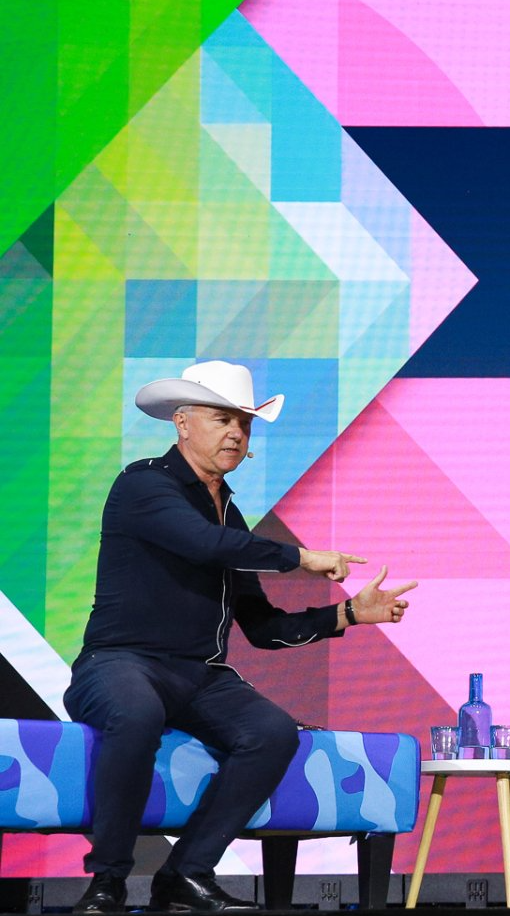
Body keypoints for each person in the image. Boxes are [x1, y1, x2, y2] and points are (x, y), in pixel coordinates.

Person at [67, 361, 415, 914]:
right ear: (182, 423)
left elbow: (265, 628)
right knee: (135, 714)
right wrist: (302, 557)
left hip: (197, 677)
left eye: (245, 424)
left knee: (272, 731)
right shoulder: (143, 484)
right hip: (119, 663)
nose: (236, 433)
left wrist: (348, 614)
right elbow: (204, 545)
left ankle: (187, 872)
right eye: (222, 419)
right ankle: (106, 878)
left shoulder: (230, 516)